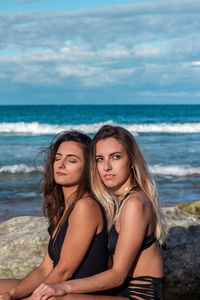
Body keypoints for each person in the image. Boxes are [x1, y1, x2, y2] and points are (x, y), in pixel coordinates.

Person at [32, 125, 168, 300]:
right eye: (99, 159)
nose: (107, 167)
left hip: (139, 297)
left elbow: (118, 274)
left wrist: (63, 287)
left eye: (116, 157)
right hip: (116, 295)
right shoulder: (114, 201)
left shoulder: (135, 204)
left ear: (132, 161)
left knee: (53, 298)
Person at [0, 131, 108, 300]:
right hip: (56, 287)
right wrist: (11, 295)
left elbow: (63, 271)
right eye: (58, 158)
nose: (61, 164)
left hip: (74, 295)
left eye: (71, 160)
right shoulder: (63, 209)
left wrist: (28, 299)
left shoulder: (86, 206)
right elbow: (45, 268)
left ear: (88, 168)